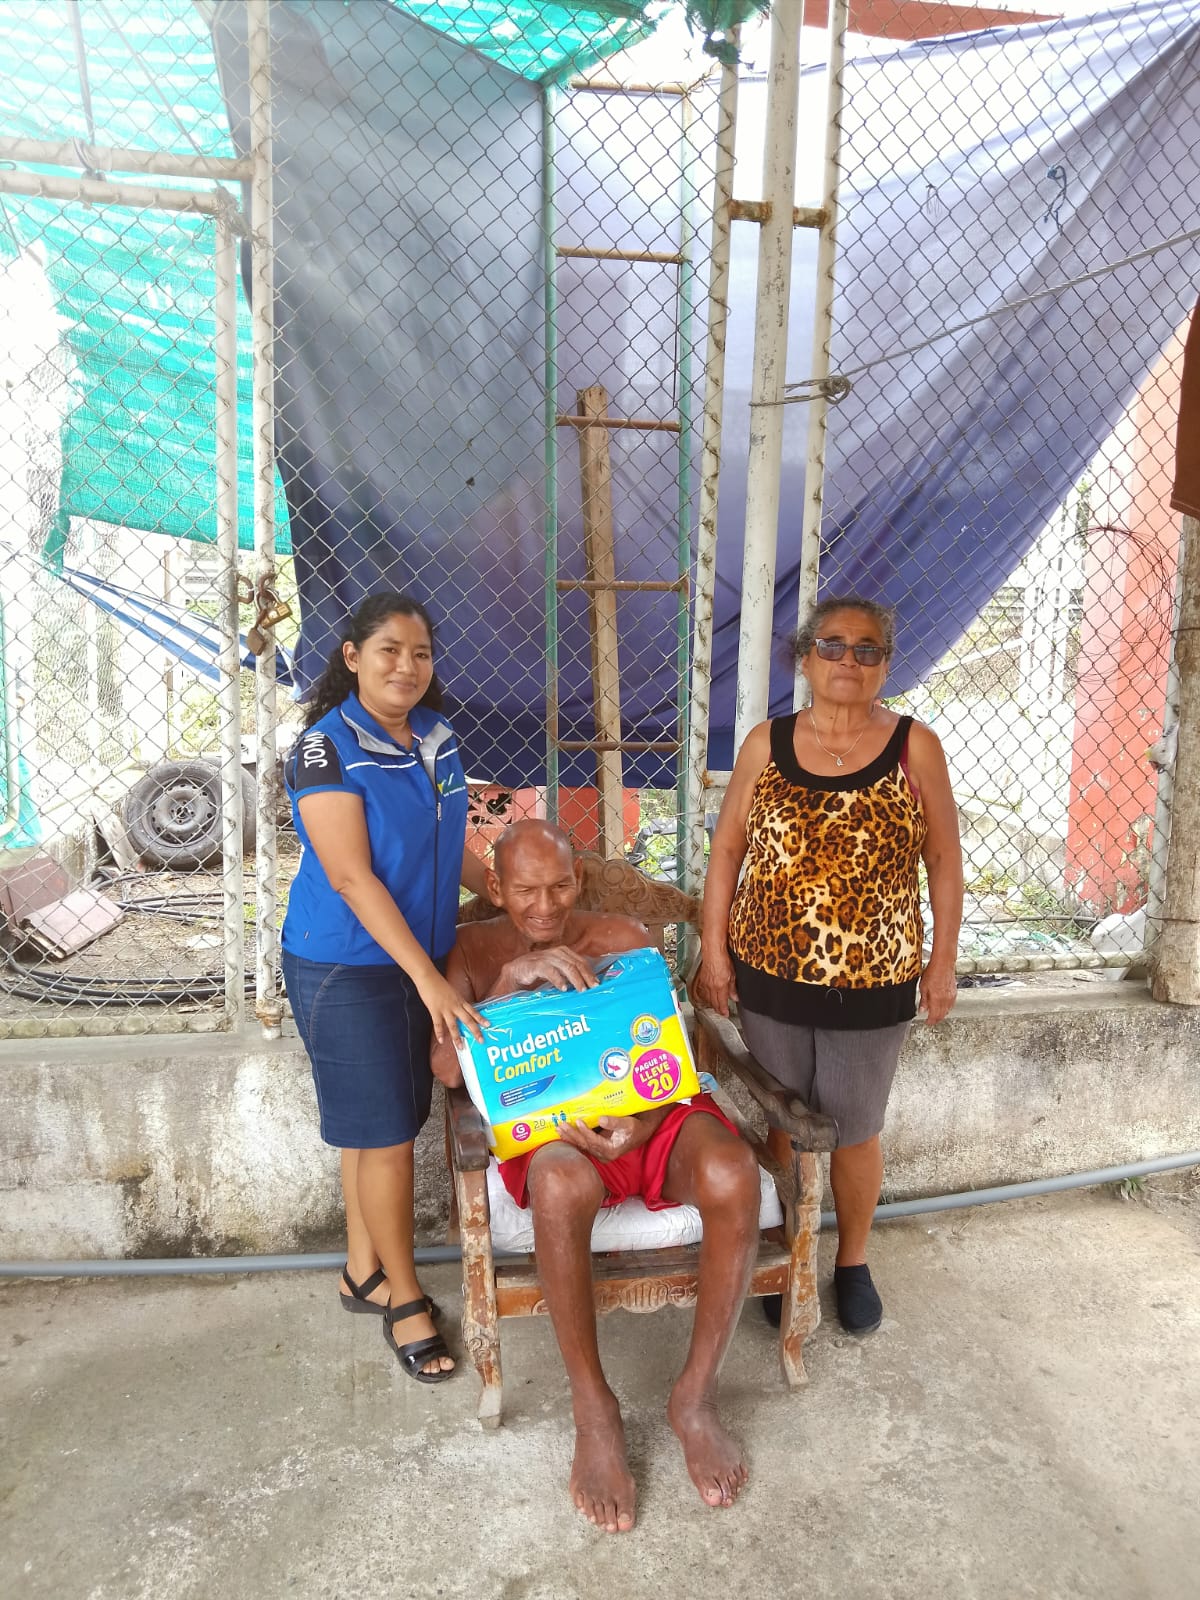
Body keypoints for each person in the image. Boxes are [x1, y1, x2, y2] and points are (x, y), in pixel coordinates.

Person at [432, 819, 762, 1534]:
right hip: (555, 1138)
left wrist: (642, 1124)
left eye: (559, 887)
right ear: (497, 888)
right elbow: (447, 1070)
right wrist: (506, 985)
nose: (544, 907)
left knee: (734, 1169)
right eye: (525, 891)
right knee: (557, 1182)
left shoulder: (622, 937)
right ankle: (594, 1410)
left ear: (578, 880)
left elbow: (668, 1053)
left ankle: (695, 1398)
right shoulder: (471, 950)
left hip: (650, 1117)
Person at [693, 595, 962, 1336]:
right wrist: (713, 950)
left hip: (874, 982)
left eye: (868, 648)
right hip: (769, 973)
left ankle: (851, 1262)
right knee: (784, 1121)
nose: (850, 660)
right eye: (833, 645)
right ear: (806, 659)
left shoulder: (915, 746)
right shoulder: (767, 742)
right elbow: (727, 849)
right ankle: (791, 1252)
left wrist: (942, 962)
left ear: (886, 664)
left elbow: (943, 859)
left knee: (854, 1128)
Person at [281, 593, 487, 1384]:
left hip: (414, 959)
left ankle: (361, 1271)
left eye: (421, 652)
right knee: (389, 1136)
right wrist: (431, 980)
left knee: (376, 1131)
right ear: (352, 657)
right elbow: (351, 877)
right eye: (390, 650)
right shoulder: (324, 751)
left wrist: (503, 886)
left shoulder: (436, 736)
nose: (407, 666)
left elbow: (450, 839)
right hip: (347, 965)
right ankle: (404, 1299)